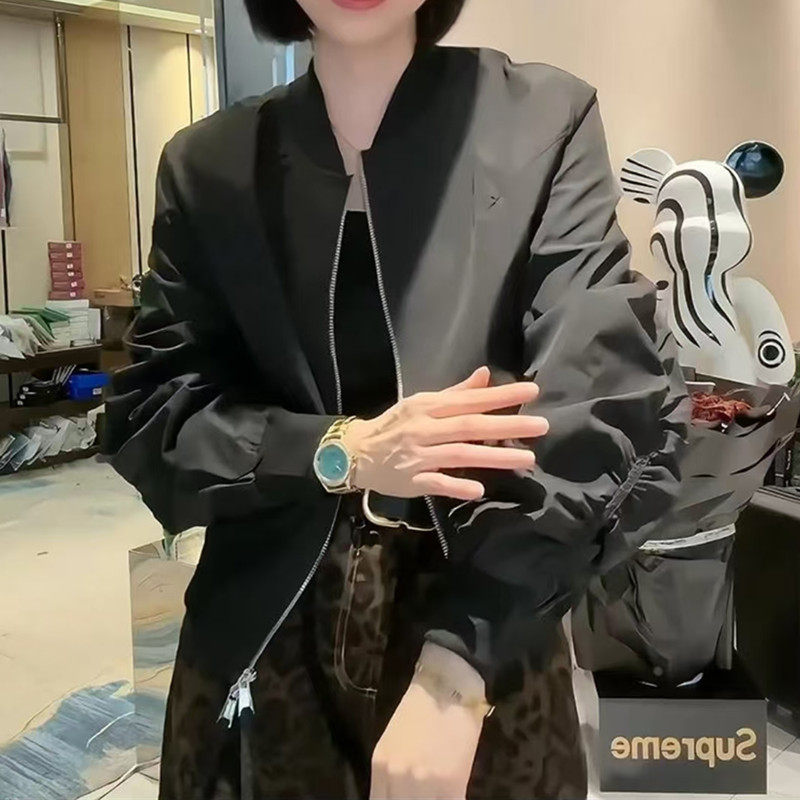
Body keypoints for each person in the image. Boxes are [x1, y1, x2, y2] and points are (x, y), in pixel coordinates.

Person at [104, 0, 687, 798]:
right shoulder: (209, 164)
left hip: (486, 610)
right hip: (269, 629)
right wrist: (341, 448)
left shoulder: (540, 121)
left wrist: (460, 664)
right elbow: (155, 413)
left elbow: (602, 395)